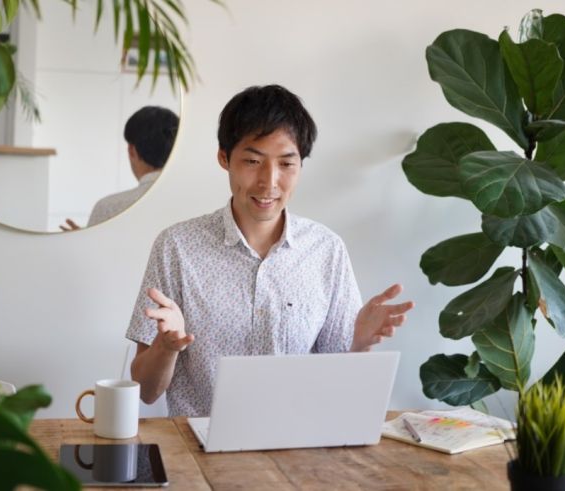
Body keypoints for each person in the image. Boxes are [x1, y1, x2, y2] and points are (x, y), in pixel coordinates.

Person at [126, 85, 414, 417]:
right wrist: (165, 347)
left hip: (301, 451)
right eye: (252, 161)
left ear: (301, 165)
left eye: (286, 164)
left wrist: (359, 345)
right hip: (202, 455)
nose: (269, 181)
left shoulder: (326, 250)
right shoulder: (176, 247)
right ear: (224, 158)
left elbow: (339, 388)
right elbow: (146, 392)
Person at [61, 106, 179, 230]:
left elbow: (95, 249)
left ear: (132, 150)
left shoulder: (108, 208)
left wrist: (83, 239)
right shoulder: (191, 204)